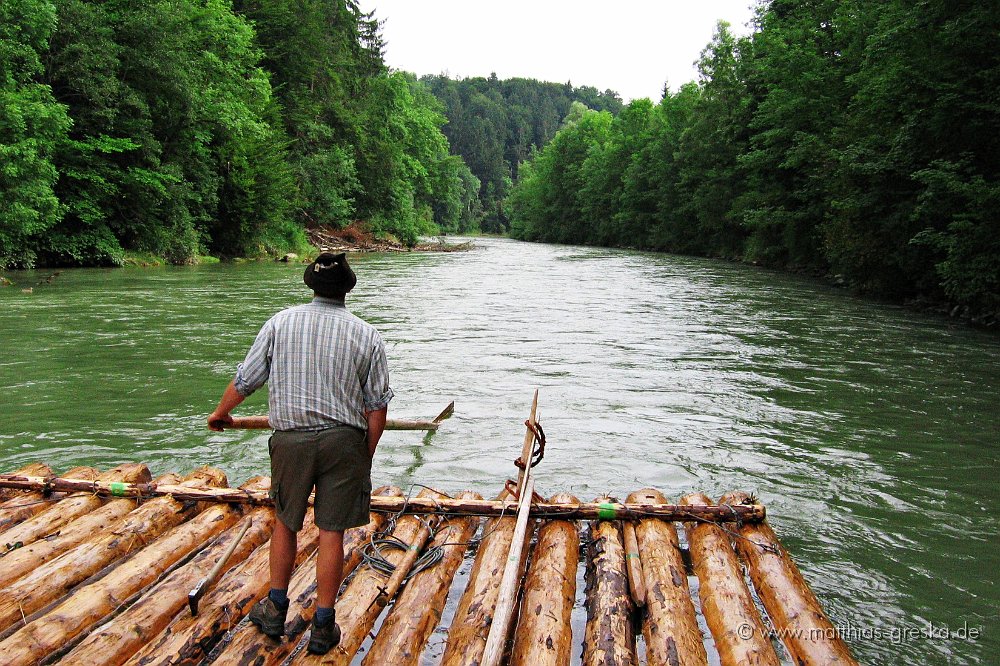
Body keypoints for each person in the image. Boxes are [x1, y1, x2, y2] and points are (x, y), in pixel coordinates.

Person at [208, 252, 392, 655]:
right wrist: (365, 454)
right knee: (332, 531)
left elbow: (247, 379)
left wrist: (221, 413)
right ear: (346, 290)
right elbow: (377, 407)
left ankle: (275, 609)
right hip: (344, 442)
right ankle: (323, 625)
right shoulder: (367, 335)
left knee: (285, 522)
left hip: (291, 440)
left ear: (311, 284)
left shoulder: (280, 323)